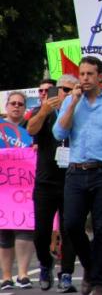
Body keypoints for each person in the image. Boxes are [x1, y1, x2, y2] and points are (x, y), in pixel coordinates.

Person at [54, 57, 102, 295]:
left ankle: (98, 281)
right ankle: (90, 265)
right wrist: (72, 102)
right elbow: (59, 132)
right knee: (72, 224)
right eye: (82, 74)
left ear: (100, 77)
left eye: (90, 74)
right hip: (77, 171)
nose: (85, 78)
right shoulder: (71, 100)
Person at [27, 75, 79, 292]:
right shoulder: (45, 113)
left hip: (72, 181)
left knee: (70, 230)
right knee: (41, 232)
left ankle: (66, 272)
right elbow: (30, 129)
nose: (63, 94)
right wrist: (45, 111)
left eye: (68, 89)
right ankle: (45, 264)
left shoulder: (79, 113)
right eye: (60, 90)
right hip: (46, 182)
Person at [1, 92, 36, 290]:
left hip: (24, 189)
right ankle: (6, 276)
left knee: (25, 230)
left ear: (25, 108)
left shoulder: (30, 129)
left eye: (20, 104)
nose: (16, 107)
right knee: (4, 233)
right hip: (3, 190)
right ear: (7, 106)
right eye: (13, 103)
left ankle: (23, 274)